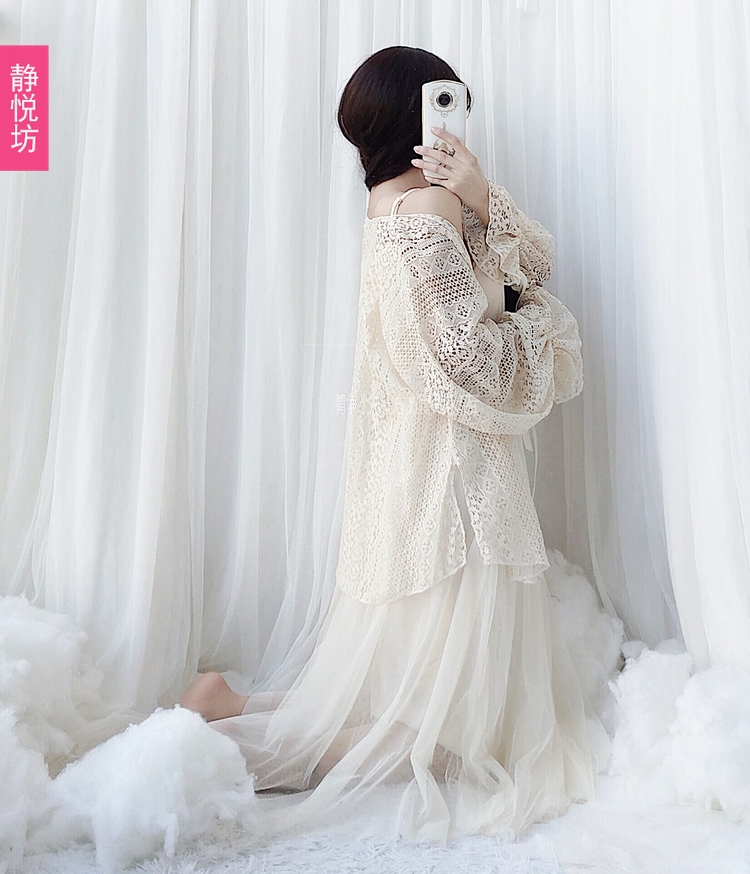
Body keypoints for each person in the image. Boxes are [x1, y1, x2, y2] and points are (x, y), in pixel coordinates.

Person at [179, 45, 600, 842]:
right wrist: (535, 321)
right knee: (454, 741)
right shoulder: (428, 213)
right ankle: (226, 750)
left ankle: (232, 705)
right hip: (456, 471)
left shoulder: (390, 204)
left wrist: (482, 196)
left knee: (421, 693)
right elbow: (467, 352)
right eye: (442, 107)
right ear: (414, 120)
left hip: (414, 462)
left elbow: (528, 264)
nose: (455, 124)